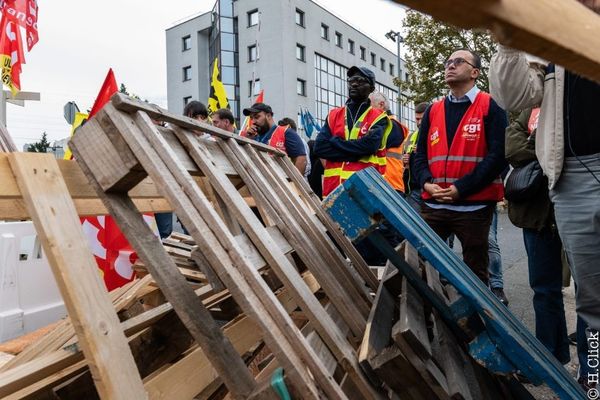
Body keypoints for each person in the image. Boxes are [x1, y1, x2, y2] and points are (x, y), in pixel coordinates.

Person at [490, 3, 600, 385]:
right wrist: (508, 43)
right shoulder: (552, 40)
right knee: (591, 297)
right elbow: (514, 97)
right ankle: (594, 380)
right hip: (572, 178)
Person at [413, 49, 508, 286]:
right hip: (434, 204)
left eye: (458, 62)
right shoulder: (434, 110)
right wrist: (426, 183)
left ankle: (475, 321)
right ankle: (429, 319)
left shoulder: (491, 105)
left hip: (473, 208)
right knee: (419, 265)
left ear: (475, 72)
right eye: (448, 62)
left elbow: (498, 156)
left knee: (475, 275)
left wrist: (461, 188)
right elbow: (420, 154)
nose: (450, 66)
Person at [505, 107, 569, 363]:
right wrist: (552, 153)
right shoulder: (533, 109)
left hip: (576, 208)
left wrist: (538, 148)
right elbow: (512, 148)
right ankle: (550, 357)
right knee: (544, 290)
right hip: (539, 216)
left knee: (589, 295)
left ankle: (590, 371)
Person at [314, 66, 397, 197]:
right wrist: (357, 153)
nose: (354, 84)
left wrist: (335, 141)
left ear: (371, 88)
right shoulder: (334, 115)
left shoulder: (378, 117)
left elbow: (369, 146)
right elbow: (319, 148)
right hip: (334, 191)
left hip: (366, 191)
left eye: (360, 80)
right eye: (351, 80)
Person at [243, 103, 307, 174]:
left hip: (281, 182)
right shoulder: (253, 137)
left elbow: (301, 159)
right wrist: (248, 139)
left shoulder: (286, 132)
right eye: (251, 118)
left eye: (257, 117)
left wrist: (293, 183)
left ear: (268, 116)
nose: (253, 121)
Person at [369, 91, 409, 194]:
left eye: (369, 105)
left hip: (389, 184)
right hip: (386, 183)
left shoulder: (391, 126)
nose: (367, 110)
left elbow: (370, 145)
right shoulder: (391, 125)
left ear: (381, 104)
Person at [402, 101, 430, 210]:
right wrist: (406, 160)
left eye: (421, 119)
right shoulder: (412, 136)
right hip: (413, 188)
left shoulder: (436, 134)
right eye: (417, 119)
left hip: (428, 187)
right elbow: (404, 160)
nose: (419, 123)